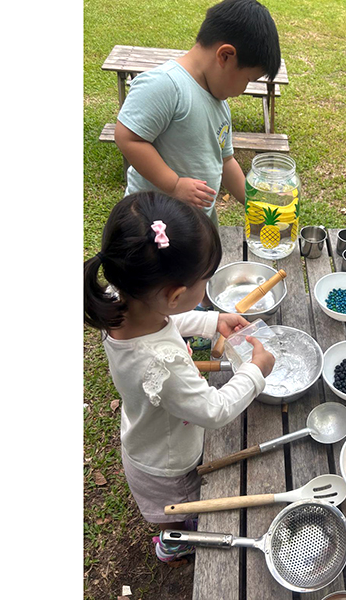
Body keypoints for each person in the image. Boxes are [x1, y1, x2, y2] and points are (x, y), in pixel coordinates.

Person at [84, 191, 275, 563]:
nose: (207, 289)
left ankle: (175, 537)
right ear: (175, 295)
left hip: (148, 435)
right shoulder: (161, 363)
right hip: (168, 462)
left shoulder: (122, 298)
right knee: (183, 514)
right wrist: (255, 371)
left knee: (182, 511)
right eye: (205, 281)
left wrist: (210, 321)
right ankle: (172, 546)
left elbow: (166, 321)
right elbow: (213, 410)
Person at [114, 0, 282, 227]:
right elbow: (128, 137)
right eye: (248, 80)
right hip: (151, 222)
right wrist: (174, 185)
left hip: (194, 224)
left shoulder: (219, 103)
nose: (243, 90)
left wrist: (252, 203)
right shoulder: (167, 85)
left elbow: (226, 160)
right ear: (225, 56)